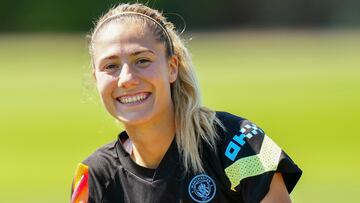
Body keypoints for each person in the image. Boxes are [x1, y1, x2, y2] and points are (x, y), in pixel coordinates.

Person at [71, 3, 302, 203]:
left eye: (142, 60)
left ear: (172, 68)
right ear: (96, 78)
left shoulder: (238, 142)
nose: (127, 79)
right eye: (111, 66)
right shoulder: (93, 177)